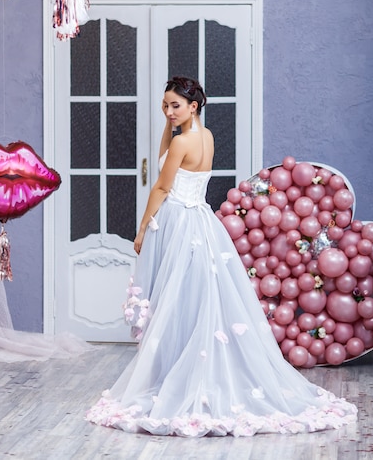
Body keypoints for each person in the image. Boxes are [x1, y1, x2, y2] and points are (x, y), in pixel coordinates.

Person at [86, 76, 357, 437]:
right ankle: (182, 370)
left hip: (178, 219)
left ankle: (186, 377)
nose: (168, 112)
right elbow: (168, 154)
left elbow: (163, 186)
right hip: (200, 219)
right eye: (164, 106)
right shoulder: (205, 135)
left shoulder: (184, 141)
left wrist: (141, 228)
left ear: (193, 106)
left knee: (179, 297)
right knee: (193, 298)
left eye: (175, 106)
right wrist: (170, 126)